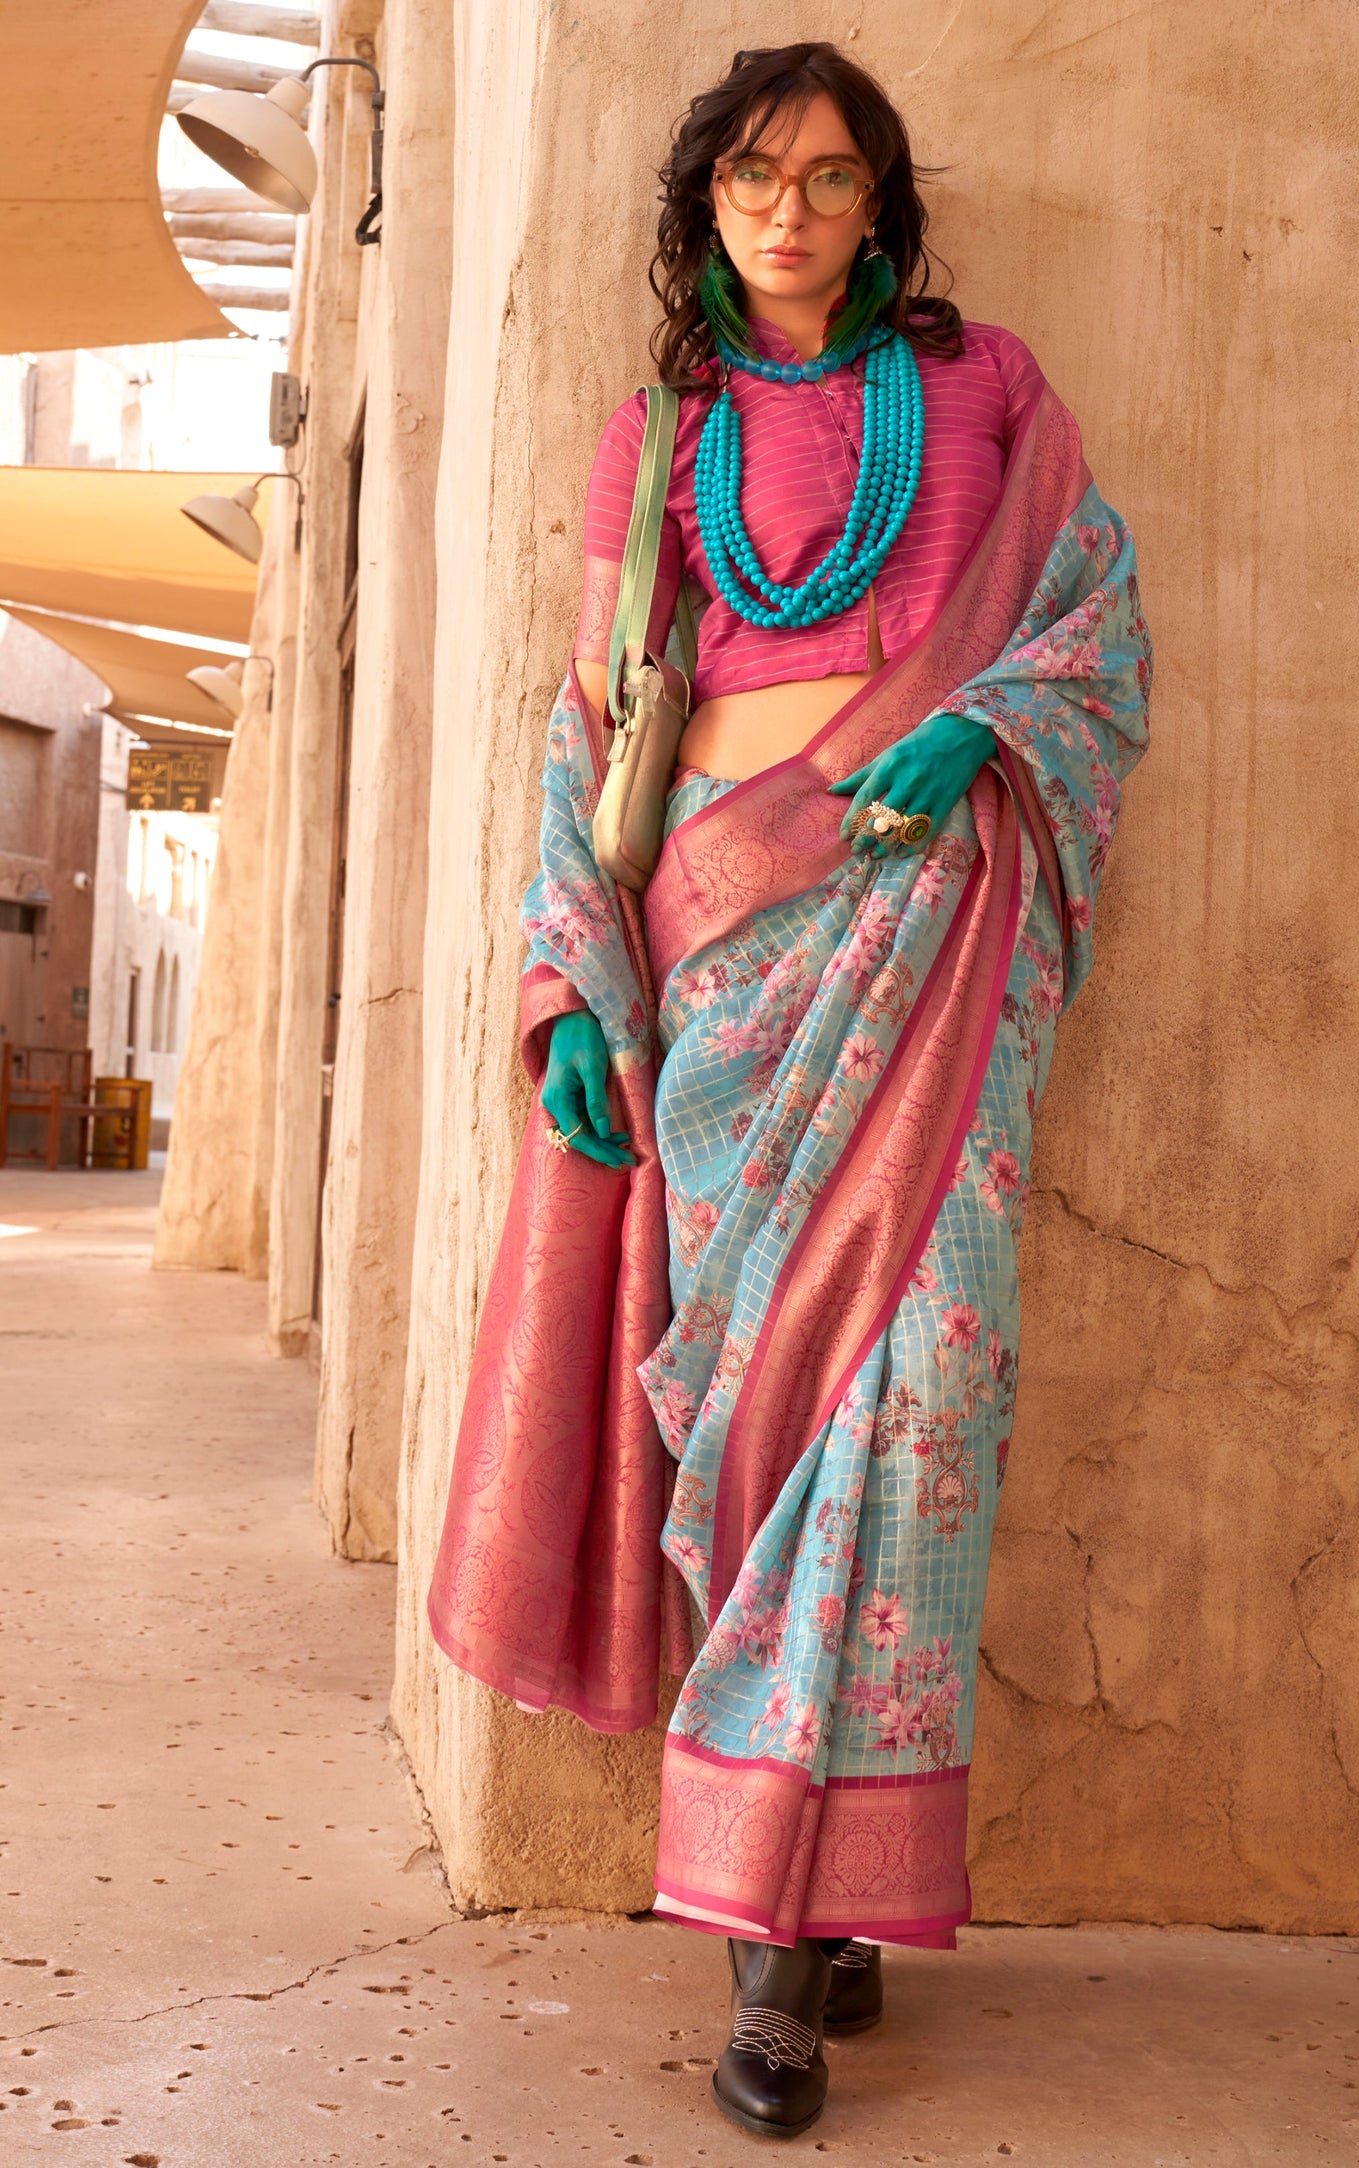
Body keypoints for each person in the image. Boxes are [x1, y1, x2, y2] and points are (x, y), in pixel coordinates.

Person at [429, 39, 1151, 2143]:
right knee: (746, 1416)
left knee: (914, 1391)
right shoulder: (655, 439)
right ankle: (777, 1929)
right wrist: (574, 989)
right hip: (724, 957)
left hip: (930, 937)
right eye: (755, 177)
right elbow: (592, 733)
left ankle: (799, 1907)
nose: (791, 211)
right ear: (707, 202)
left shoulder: (990, 393)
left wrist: (996, 719)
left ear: (880, 205)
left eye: (831, 179)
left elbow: (1097, 622)